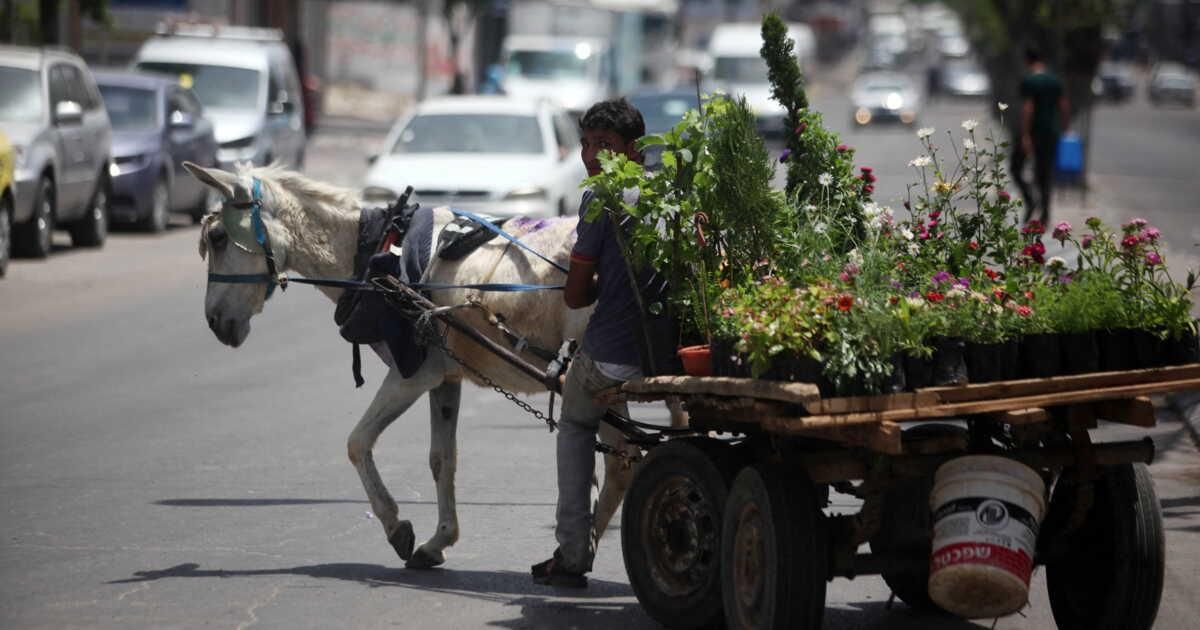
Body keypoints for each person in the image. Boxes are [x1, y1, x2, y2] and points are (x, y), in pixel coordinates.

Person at [531, 98, 646, 588]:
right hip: (661, 351)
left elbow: (576, 294)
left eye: (605, 144)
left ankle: (573, 551)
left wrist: (600, 286)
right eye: (585, 144)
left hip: (613, 352)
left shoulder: (602, 196)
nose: (592, 155)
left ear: (633, 149)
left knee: (576, 421)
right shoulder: (668, 189)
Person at [1011, 47, 1070, 226]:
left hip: (1033, 132)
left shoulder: (1029, 81)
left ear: (1027, 61)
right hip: (1051, 132)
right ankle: (1045, 214)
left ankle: (1030, 199)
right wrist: (1064, 128)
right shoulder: (1055, 81)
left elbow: (1028, 108)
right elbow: (1064, 106)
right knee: (1045, 173)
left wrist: (1025, 135)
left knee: (1016, 168)